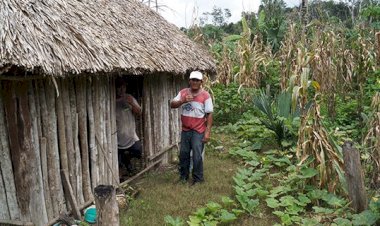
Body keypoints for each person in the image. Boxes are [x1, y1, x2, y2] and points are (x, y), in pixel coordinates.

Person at [170, 71, 213, 185]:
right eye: (192, 80)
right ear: (189, 81)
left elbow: (209, 114)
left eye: (197, 80)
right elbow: (172, 104)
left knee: (197, 155)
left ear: (201, 82)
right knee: (183, 154)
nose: (194, 82)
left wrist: (207, 132)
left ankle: (198, 179)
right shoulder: (183, 93)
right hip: (186, 130)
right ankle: (183, 177)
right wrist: (182, 101)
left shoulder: (205, 95)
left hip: (198, 130)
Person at [116, 78, 142, 174]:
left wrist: (131, 103)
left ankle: (127, 159)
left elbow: (139, 112)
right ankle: (125, 168)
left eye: (124, 87)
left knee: (138, 151)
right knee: (118, 159)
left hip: (131, 135)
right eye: (119, 87)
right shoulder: (111, 101)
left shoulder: (129, 98)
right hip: (117, 137)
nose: (122, 90)